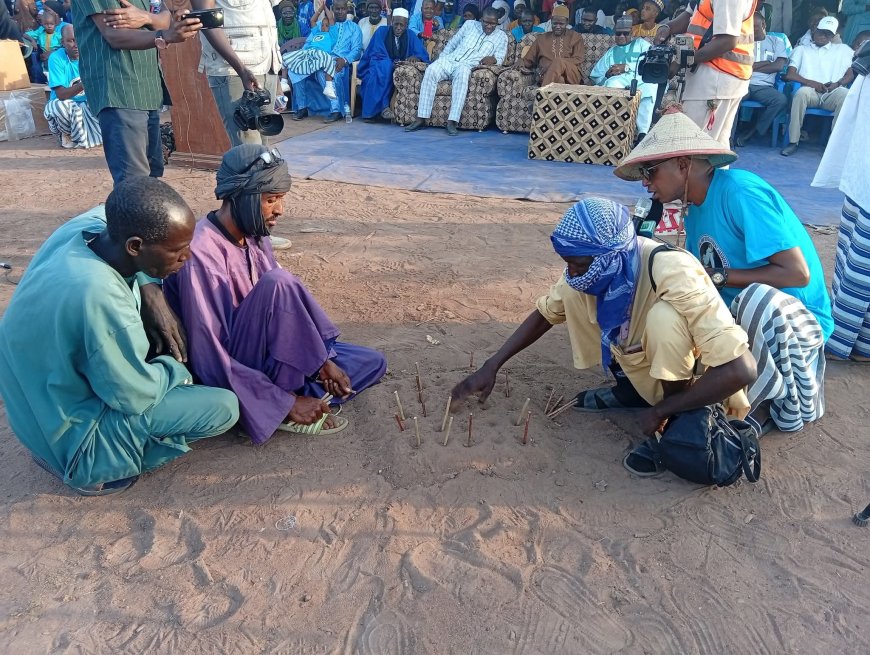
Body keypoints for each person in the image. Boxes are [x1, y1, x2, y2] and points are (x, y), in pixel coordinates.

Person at [450, 197, 757, 476]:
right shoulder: (595, 267)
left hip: (695, 378)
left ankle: (673, 425)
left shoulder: (673, 269)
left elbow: (741, 369)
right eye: (567, 262)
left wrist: (663, 410)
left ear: (611, 255)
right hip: (640, 359)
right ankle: (631, 391)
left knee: (665, 321)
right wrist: (492, 365)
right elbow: (546, 313)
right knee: (575, 292)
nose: (572, 271)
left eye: (579, 263)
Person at [0, 178, 240, 496]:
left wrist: (149, 287)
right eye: (176, 251)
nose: (188, 257)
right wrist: (178, 370)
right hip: (73, 442)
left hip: (33, 410)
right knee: (224, 407)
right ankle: (99, 468)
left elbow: (107, 207)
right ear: (135, 246)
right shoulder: (101, 296)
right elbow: (133, 397)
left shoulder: (86, 229)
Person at [617, 109, 833, 434]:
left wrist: (716, 276)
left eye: (650, 171)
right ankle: (682, 399)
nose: (645, 182)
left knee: (755, 299)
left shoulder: (740, 192)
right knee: (667, 308)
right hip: (740, 318)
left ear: (683, 165)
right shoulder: (694, 209)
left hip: (791, 323)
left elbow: (796, 274)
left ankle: (759, 408)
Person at [163, 145, 387, 445]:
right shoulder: (201, 253)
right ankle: (277, 403)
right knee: (279, 282)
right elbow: (210, 353)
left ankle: (288, 394)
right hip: (231, 364)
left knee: (372, 362)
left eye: (280, 199)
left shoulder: (255, 234)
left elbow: (285, 314)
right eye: (270, 200)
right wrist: (287, 403)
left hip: (271, 351)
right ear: (240, 196)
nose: (279, 210)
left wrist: (322, 363)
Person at [72, 0, 201, 183]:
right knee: (134, 180)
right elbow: (115, 35)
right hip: (120, 86)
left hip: (148, 87)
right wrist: (163, 34)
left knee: (152, 174)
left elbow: (166, 16)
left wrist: (146, 17)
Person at [811, 40, 870, 362]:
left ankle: (848, 341)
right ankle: (852, 340)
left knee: (861, 254)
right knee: (854, 248)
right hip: (863, 164)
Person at [653, 0, 756, 148]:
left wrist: (681, 61)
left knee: (695, 143)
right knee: (714, 144)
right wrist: (667, 27)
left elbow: (727, 41)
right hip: (711, 74)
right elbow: (690, 14)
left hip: (717, 77)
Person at [188, 0, 281, 147]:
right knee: (249, 148)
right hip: (235, 69)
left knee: (263, 147)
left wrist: (276, 75)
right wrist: (241, 69)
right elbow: (206, 18)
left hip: (268, 65)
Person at [404, 6, 507, 135]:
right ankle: (421, 118)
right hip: (451, 59)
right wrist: (442, 59)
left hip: (467, 65)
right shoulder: (469, 25)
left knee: (462, 74)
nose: (489, 26)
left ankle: (452, 121)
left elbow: (500, 58)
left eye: (493, 24)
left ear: (497, 23)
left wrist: (493, 59)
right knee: (431, 70)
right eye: (486, 22)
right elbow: (453, 43)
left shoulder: (502, 36)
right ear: (481, 19)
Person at [781, 16, 855, 157]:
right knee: (801, 94)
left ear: (833, 36)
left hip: (832, 92)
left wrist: (837, 84)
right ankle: (793, 141)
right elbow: (790, 74)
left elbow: (851, 73)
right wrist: (811, 83)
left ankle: (834, 146)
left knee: (846, 96)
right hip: (810, 91)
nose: (823, 36)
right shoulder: (802, 49)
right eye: (821, 32)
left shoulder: (843, 50)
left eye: (828, 34)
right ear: (815, 30)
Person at [292, 0, 363, 123]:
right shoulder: (322, 24)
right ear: (332, 9)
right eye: (337, 9)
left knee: (323, 72)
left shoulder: (354, 28)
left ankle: (336, 110)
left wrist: (345, 60)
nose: (340, 12)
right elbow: (309, 42)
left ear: (347, 9)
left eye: (343, 9)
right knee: (296, 70)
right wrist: (303, 56)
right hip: (315, 58)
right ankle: (302, 107)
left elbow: (356, 50)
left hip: (338, 62)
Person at [590, 15, 656, 137]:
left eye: (625, 34)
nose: (621, 37)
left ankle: (642, 133)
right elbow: (596, 76)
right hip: (619, 82)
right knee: (612, 83)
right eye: (618, 34)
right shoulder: (611, 52)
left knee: (649, 86)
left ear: (632, 32)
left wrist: (627, 67)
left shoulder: (642, 44)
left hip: (640, 80)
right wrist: (606, 75)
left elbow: (651, 65)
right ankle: (614, 129)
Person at [358, 8, 428, 120]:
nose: (399, 28)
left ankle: (383, 108)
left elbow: (421, 53)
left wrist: (416, 57)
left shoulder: (410, 35)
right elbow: (376, 53)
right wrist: (391, 64)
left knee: (387, 68)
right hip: (379, 65)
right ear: (391, 22)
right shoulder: (382, 32)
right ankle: (380, 108)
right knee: (382, 69)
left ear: (406, 25)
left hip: (399, 68)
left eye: (402, 25)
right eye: (396, 24)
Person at [44, 23, 102, 149]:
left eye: (78, 39)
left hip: (88, 105)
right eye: (70, 41)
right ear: (62, 42)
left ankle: (88, 134)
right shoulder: (56, 58)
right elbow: (61, 95)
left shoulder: (91, 54)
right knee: (58, 106)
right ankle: (66, 134)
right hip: (68, 106)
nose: (75, 44)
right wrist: (86, 83)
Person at [735, 11, 788, 147]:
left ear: (763, 24)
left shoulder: (777, 41)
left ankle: (752, 132)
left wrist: (751, 66)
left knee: (780, 100)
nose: (750, 30)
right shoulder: (742, 41)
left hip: (764, 87)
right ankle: (729, 135)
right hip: (743, 82)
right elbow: (738, 65)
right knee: (732, 98)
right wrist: (766, 63)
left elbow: (778, 66)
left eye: (754, 27)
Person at [282, 10, 342, 102]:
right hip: (308, 53)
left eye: (327, 25)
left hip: (321, 54)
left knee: (329, 59)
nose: (323, 27)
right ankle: (284, 81)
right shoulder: (317, 32)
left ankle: (329, 87)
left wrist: (325, 7)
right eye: (322, 25)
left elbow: (330, 18)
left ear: (331, 27)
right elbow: (312, 20)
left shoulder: (332, 35)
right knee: (285, 57)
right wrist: (320, 10)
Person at [519, 5, 583, 85]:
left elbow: (578, 59)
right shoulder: (541, 39)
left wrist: (554, 64)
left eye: (561, 24)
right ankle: (547, 90)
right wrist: (520, 62)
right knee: (560, 80)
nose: (558, 27)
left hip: (571, 75)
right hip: (547, 76)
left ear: (567, 22)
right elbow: (528, 59)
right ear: (551, 21)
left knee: (558, 61)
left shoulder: (575, 37)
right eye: (555, 23)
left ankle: (543, 91)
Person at [25, 7, 61, 82]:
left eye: (51, 24)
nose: (49, 26)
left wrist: (52, 53)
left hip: (56, 55)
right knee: (37, 67)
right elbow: (25, 34)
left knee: (50, 63)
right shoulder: (40, 33)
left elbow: (63, 47)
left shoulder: (58, 36)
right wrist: (33, 41)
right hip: (43, 55)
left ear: (55, 24)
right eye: (46, 24)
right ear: (42, 24)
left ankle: (53, 81)